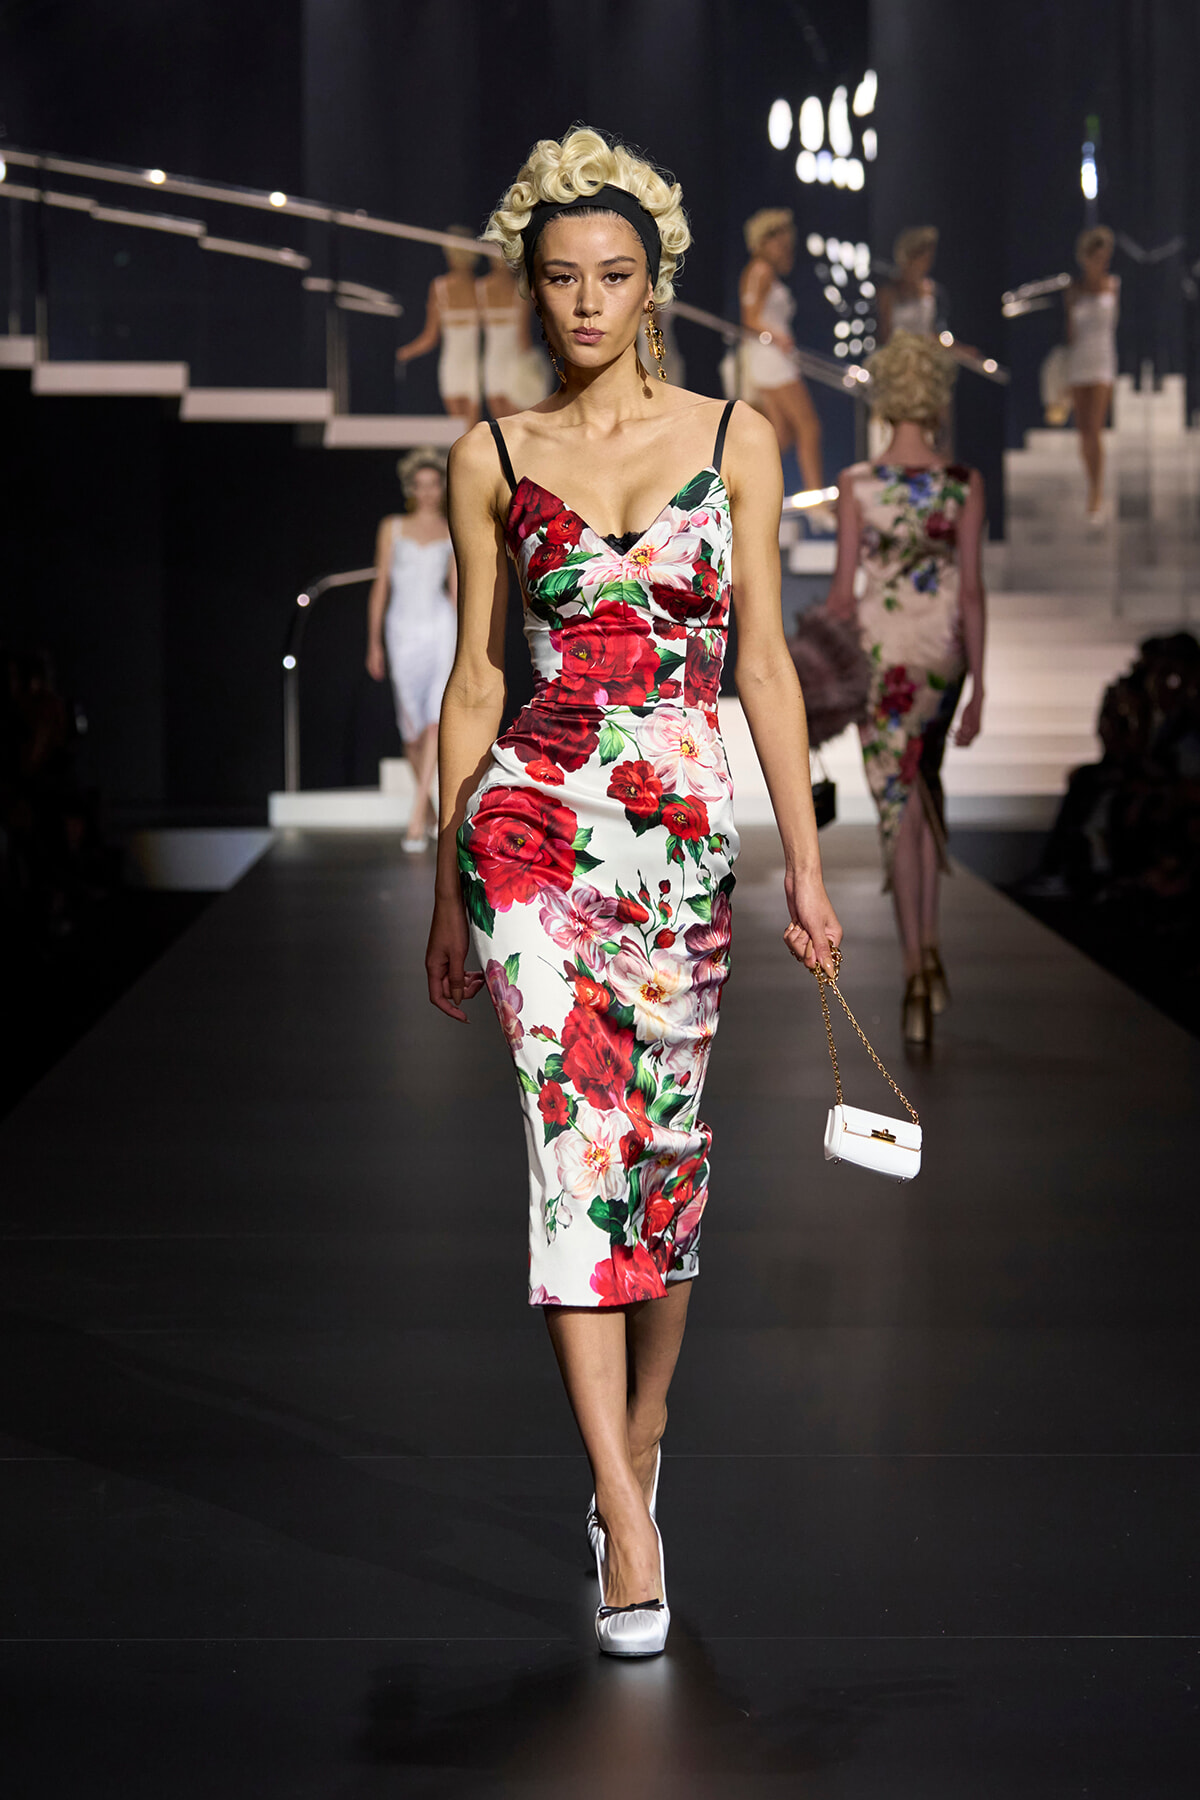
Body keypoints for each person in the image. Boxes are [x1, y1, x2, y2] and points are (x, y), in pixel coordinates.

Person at [425, 125, 841, 1658]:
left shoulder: (737, 436)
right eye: (559, 281)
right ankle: (626, 1515)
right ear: (531, 294)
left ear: (654, 282)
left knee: (660, 1157)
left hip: (679, 838)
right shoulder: (495, 452)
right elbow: (478, 680)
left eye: (611, 277)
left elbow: (769, 670)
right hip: (530, 824)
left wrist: (804, 859)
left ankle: (642, 1439)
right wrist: (440, 883)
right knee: (570, 1149)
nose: (585, 303)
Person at [825, 332, 986, 1044]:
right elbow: (973, 592)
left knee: (900, 811)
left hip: (881, 661)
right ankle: (928, 956)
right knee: (920, 798)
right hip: (940, 661)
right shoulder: (962, 483)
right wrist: (978, 685)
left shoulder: (859, 483)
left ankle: (915, 968)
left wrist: (814, 663)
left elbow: (841, 594)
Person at [366, 448, 456, 851]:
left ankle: (417, 816)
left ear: (442, 487)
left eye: (434, 484)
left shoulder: (453, 527)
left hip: (440, 626)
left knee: (436, 720)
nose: (428, 492)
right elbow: (381, 584)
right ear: (411, 489)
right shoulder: (392, 527)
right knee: (412, 730)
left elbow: (456, 591)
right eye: (420, 485)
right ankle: (433, 811)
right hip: (401, 630)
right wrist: (373, 643)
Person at [738, 207, 830, 524]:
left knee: (780, 437)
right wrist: (775, 336)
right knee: (809, 427)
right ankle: (816, 501)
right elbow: (749, 318)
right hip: (772, 360)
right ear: (765, 241)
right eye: (779, 240)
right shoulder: (760, 270)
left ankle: (743, 495)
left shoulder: (765, 271)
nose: (785, 246)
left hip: (775, 358)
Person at [395, 227, 482, 427]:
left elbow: (429, 338)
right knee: (472, 431)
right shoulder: (480, 287)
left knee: (459, 431)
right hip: (473, 368)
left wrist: (402, 353)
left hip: (452, 366)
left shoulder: (440, 287)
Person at [1064, 225, 1119, 525]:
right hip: (1079, 361)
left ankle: (1096, 491)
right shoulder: (1073, 291)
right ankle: (1091, 481)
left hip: (1102, 362)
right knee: (1083, 432)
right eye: (1097, 257)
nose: (1102, 262)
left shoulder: (1113, 286)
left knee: (1095, 429)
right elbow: (1069, 334)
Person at [477, 257, 537, 418]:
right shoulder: (521, 290)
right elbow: (523, 335)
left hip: (492, 361)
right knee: (515, 423)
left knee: (500, 423)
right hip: (515, 359)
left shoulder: (480, 288)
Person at [877, 226, 941, 344]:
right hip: (897, 356)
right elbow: (884, 337)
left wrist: (961, 351)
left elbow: (933, 333)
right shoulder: (888, 293)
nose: (926, 264)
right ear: (907, 258)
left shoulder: (931, 289)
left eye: (929, 259)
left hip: (926, 355)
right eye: (921, 259)